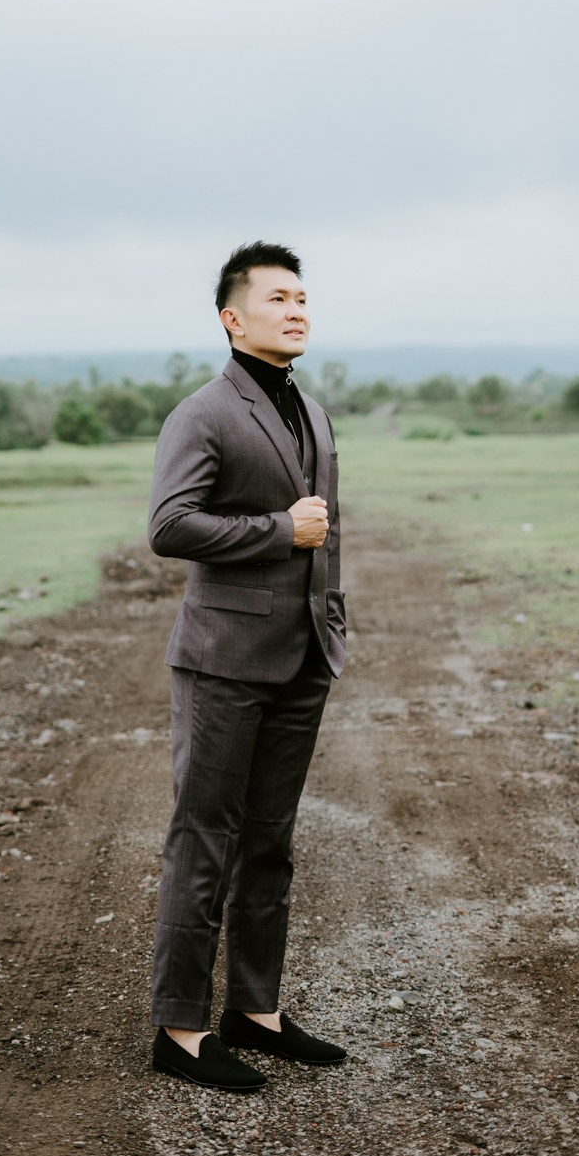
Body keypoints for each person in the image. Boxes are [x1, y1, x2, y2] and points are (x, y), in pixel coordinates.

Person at [147, 240, 347, 1091]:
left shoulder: (312, 411)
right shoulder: (203, 413)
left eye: (301, 298)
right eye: (277, 299)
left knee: (271, 842)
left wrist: (330, 621)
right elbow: (169, 526)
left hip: (303, 658)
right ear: (232, 318)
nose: (296, 311)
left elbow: (326, 533)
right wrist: (278, 531)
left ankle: (254, 1011)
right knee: (204, 842)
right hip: (224, 663)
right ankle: (181, 1029)